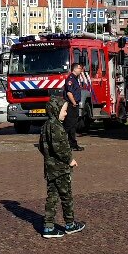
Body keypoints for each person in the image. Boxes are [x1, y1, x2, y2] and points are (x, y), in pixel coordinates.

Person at [38, 95, 85, 238]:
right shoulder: (56, 126)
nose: (65, 113)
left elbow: (41, 146)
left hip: (50, 168)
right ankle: (70, 224)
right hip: (61, 169)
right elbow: (62, 149)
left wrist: (48, 157)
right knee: (66, 197)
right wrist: (70, 160)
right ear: (56, 110)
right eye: (64, 111)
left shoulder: (45, 126)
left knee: (51, 197)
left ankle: (48, 226)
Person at [63, 62, 85, 151]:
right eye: (79, 69)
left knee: (73, 126)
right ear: (75, 69)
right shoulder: (71, 79)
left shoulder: (75, 79)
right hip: (72, 105)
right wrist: (74, 102)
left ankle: (72, 144)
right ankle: (62, 144)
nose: (81, 70)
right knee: (69, 125)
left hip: (74, 104)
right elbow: (69, 92)